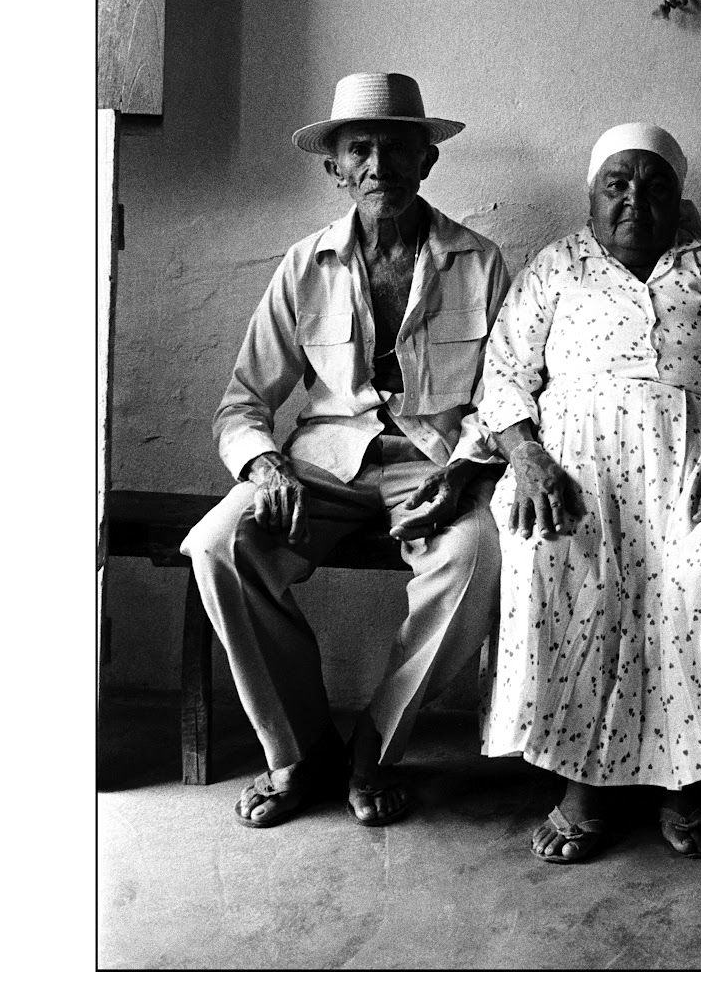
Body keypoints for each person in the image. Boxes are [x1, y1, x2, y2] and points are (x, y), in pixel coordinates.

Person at [181, 73, 510, 831]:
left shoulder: (481, 262)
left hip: (436, 467)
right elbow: (243, 402)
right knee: (217, 546)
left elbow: (505, 395)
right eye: (360, 149)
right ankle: (300, 751)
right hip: (322, 465)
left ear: (428, 160)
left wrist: (465, 470)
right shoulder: (305, 265)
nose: (378, 165)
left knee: (477, 559)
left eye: (397, 148)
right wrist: (266, 465)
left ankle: (376, 749)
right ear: (335, 168)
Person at [479, 123, 701, 863]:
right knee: (557, 569)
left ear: (678, 198)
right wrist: (527, 456)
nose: (634, 199)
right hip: (571, 475)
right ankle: (582, 783)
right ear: (590, 195)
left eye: (655, 186)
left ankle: (688, 781)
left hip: (699, 476)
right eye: (616, 184)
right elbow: (503, 377)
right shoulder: (554, 266)